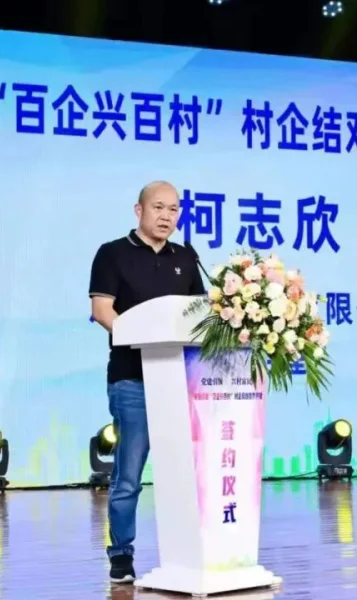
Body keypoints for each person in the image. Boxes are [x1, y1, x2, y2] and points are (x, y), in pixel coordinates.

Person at [88, 181, 206, 583]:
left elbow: (199, 315)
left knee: (187, 474)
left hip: (181, 382)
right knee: (129, 475)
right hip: (132, 379)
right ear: (138, 210)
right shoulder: (112, 253)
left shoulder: (186, 257)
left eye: (174, 210)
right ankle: (121, 554)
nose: (166, 216)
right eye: (158, 207)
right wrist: (142, 337)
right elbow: (102, 309)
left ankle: (191, 553)